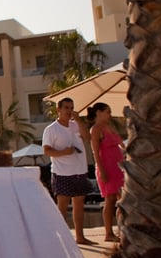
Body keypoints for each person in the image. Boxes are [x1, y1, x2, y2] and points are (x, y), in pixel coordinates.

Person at [42, 97, 93, 245]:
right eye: (66, 108)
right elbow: (46, 151)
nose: (69, 111)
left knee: (79, 204)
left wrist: (79, 121)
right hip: (62, 172)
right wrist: (65, 152)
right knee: (62, 206)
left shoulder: (76, 125)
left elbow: (87, 137)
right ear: (58, 109)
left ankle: (80, 236)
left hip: (79, 170)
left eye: (71, 108)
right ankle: (62, 239)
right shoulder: (51, 129)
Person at [87, 102, 124, 242]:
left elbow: (122, 144)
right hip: (106, 167)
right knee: (110, 200)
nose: (110, 115)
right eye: (107, 112)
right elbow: (95, 152)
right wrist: (102, 171)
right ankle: (108, 233)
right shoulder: (95, 130)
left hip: (119, 167)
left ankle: (122, 229)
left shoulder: (110, 127)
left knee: (123, 199)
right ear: (99, 112)